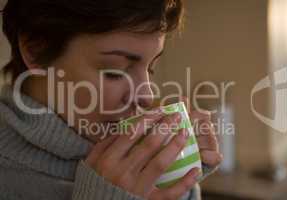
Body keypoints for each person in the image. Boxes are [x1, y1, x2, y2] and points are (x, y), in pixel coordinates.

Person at [0, 0, 222, 199]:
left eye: (151, 67)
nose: (147, 96)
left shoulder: (144, 162)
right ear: (36, 47)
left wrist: (181, 179)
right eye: (115, 71)